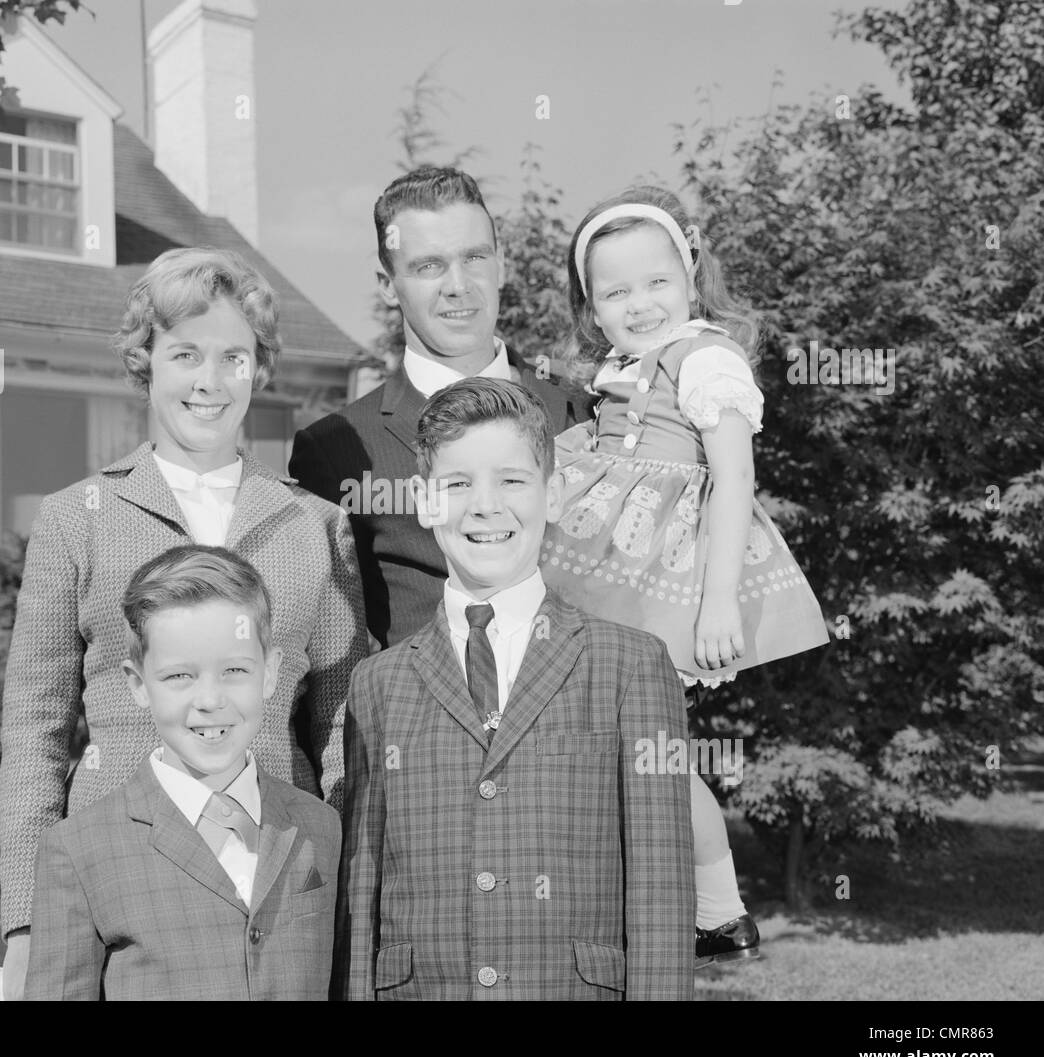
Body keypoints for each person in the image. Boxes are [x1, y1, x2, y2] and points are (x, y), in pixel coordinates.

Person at [0, 248, 365, 999]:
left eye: (234, 356)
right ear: (146, 362)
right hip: (118, 876)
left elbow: (340, 725)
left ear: (258, 369)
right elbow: (34, 729)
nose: (210, 380)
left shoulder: (314, 524)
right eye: (186, 354)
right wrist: (26, 922)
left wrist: (348, 886)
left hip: (275, 866)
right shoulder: (76, 519)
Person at [333, 378, 694, 1000]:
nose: (484, 506)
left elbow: (660, 885)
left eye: (512, 481)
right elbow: (363, 882)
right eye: (458, 484)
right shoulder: (377, 683)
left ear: (553, 495)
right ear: (424, 500)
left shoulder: (631, 664)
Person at [543, 186, 830, 965]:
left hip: (666, 586)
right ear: (591, 306)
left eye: (656, 282)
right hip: (613, 574)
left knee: (652, 752)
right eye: (616, 291)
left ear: (692, 277)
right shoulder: (621, 370)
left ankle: (719, 906)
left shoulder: (704, 357)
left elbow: (734, 478)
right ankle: (665, 902)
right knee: (615, 747)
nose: (640, 304)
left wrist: (717, 603)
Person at [290, 165, 592, 650]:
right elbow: (330, 638)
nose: (458, 285)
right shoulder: (334, 450)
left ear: (502, 265)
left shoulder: (581, 414)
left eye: (474, 257)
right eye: (429, 266)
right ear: (387, 284)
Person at [25, 546, 341, 1000]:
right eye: (179, 677)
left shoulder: (321, 827)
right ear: (138, 684)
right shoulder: (76, 850)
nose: (210, 700)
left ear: (269, 673)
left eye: (234, 670)